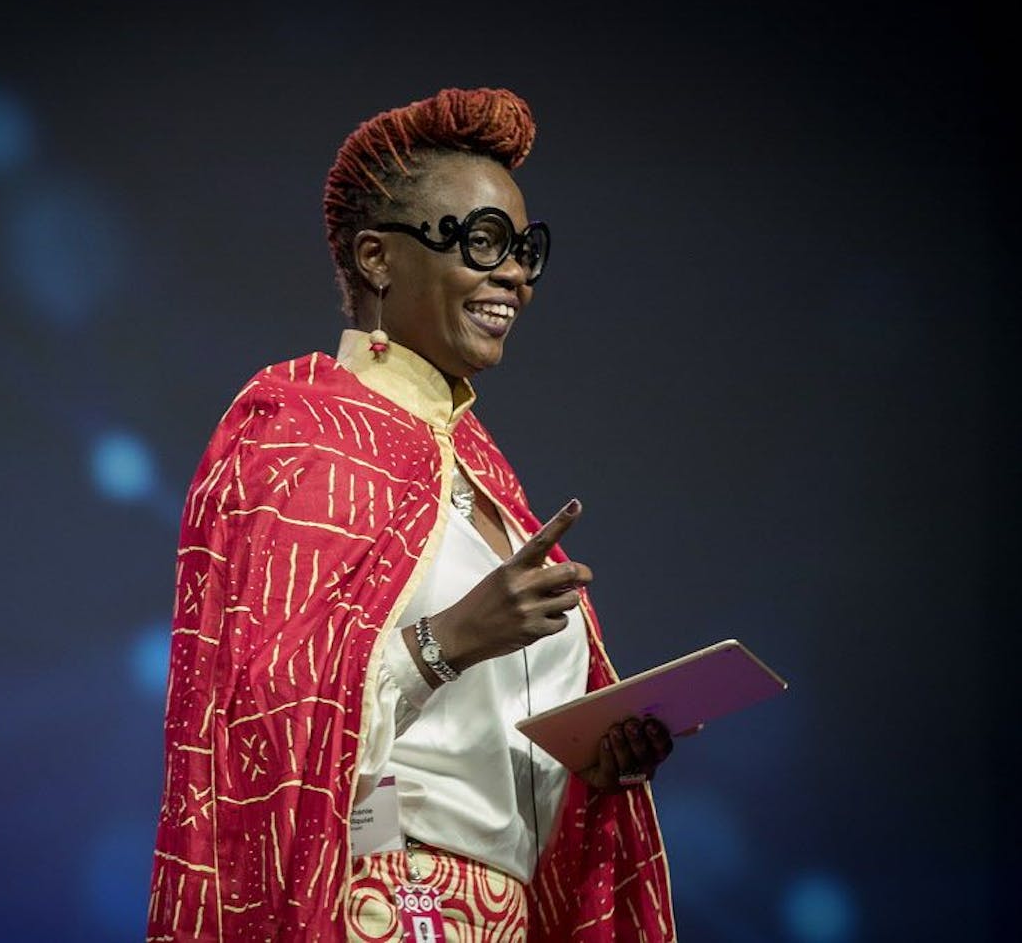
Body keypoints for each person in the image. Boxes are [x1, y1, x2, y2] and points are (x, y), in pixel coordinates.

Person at [148, 87, 675, 942]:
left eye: (525, 250)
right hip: (376, 905)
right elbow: (257, 725)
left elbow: (493, 773)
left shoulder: (485, 475)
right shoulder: (298, 431)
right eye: (482, 241)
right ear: (376, 259)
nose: (514, 275)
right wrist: (448, 642)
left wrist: (590, 766)